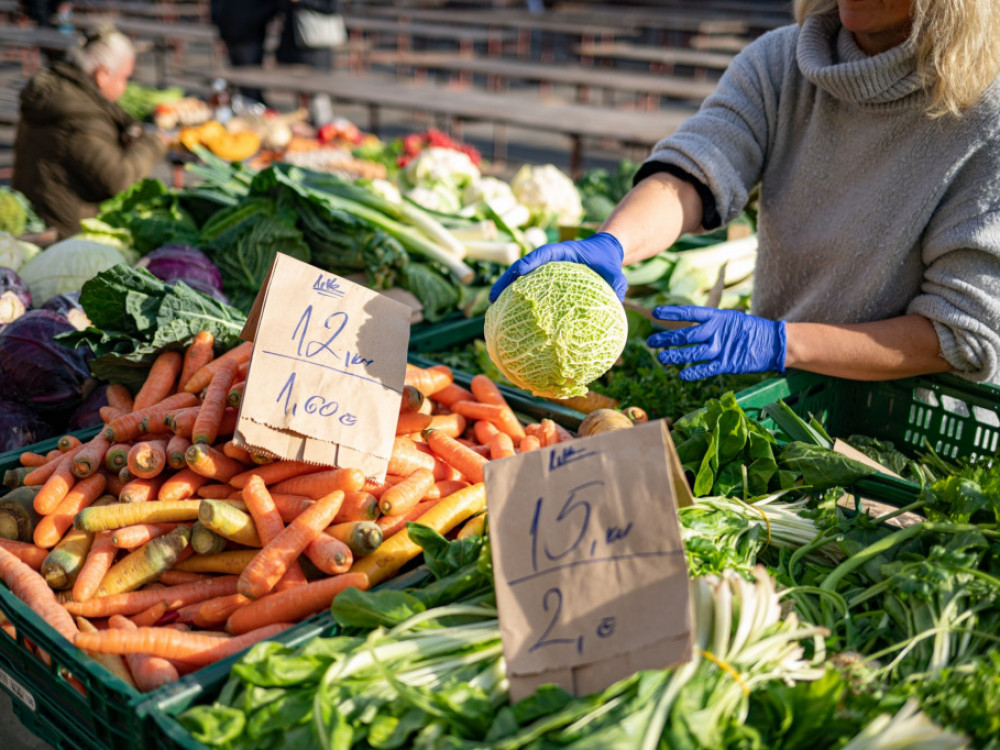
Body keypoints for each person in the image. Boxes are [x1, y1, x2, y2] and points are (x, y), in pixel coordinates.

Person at [491, 0, 1000, 386]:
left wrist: (782, 342)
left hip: (910, 441)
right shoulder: (781, 62)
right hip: (781, 397)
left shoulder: (985, 118)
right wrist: (613, 243)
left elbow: (959, 331)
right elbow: (698, 170)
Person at [12, 27, 166, 238]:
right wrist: (152, 143)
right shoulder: (81, 118)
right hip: (66, 231)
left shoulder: (59, 91)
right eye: (124, 78)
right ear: (102, 74)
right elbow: (119, 180)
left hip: (39, 213)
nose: (125, 86)